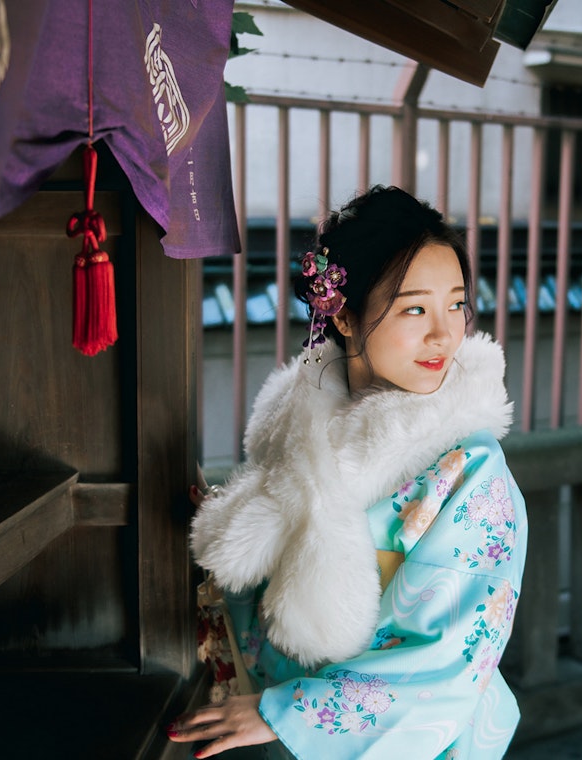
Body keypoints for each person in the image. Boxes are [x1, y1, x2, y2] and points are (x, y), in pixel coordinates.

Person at [168, 185, 527, 758]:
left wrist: (290, 713)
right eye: (415, 308)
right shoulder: (299, 433)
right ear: (346, 317)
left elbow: (451, 660)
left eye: (457, 303)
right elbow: (268, 613)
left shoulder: (472, 473)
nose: (444, 333)